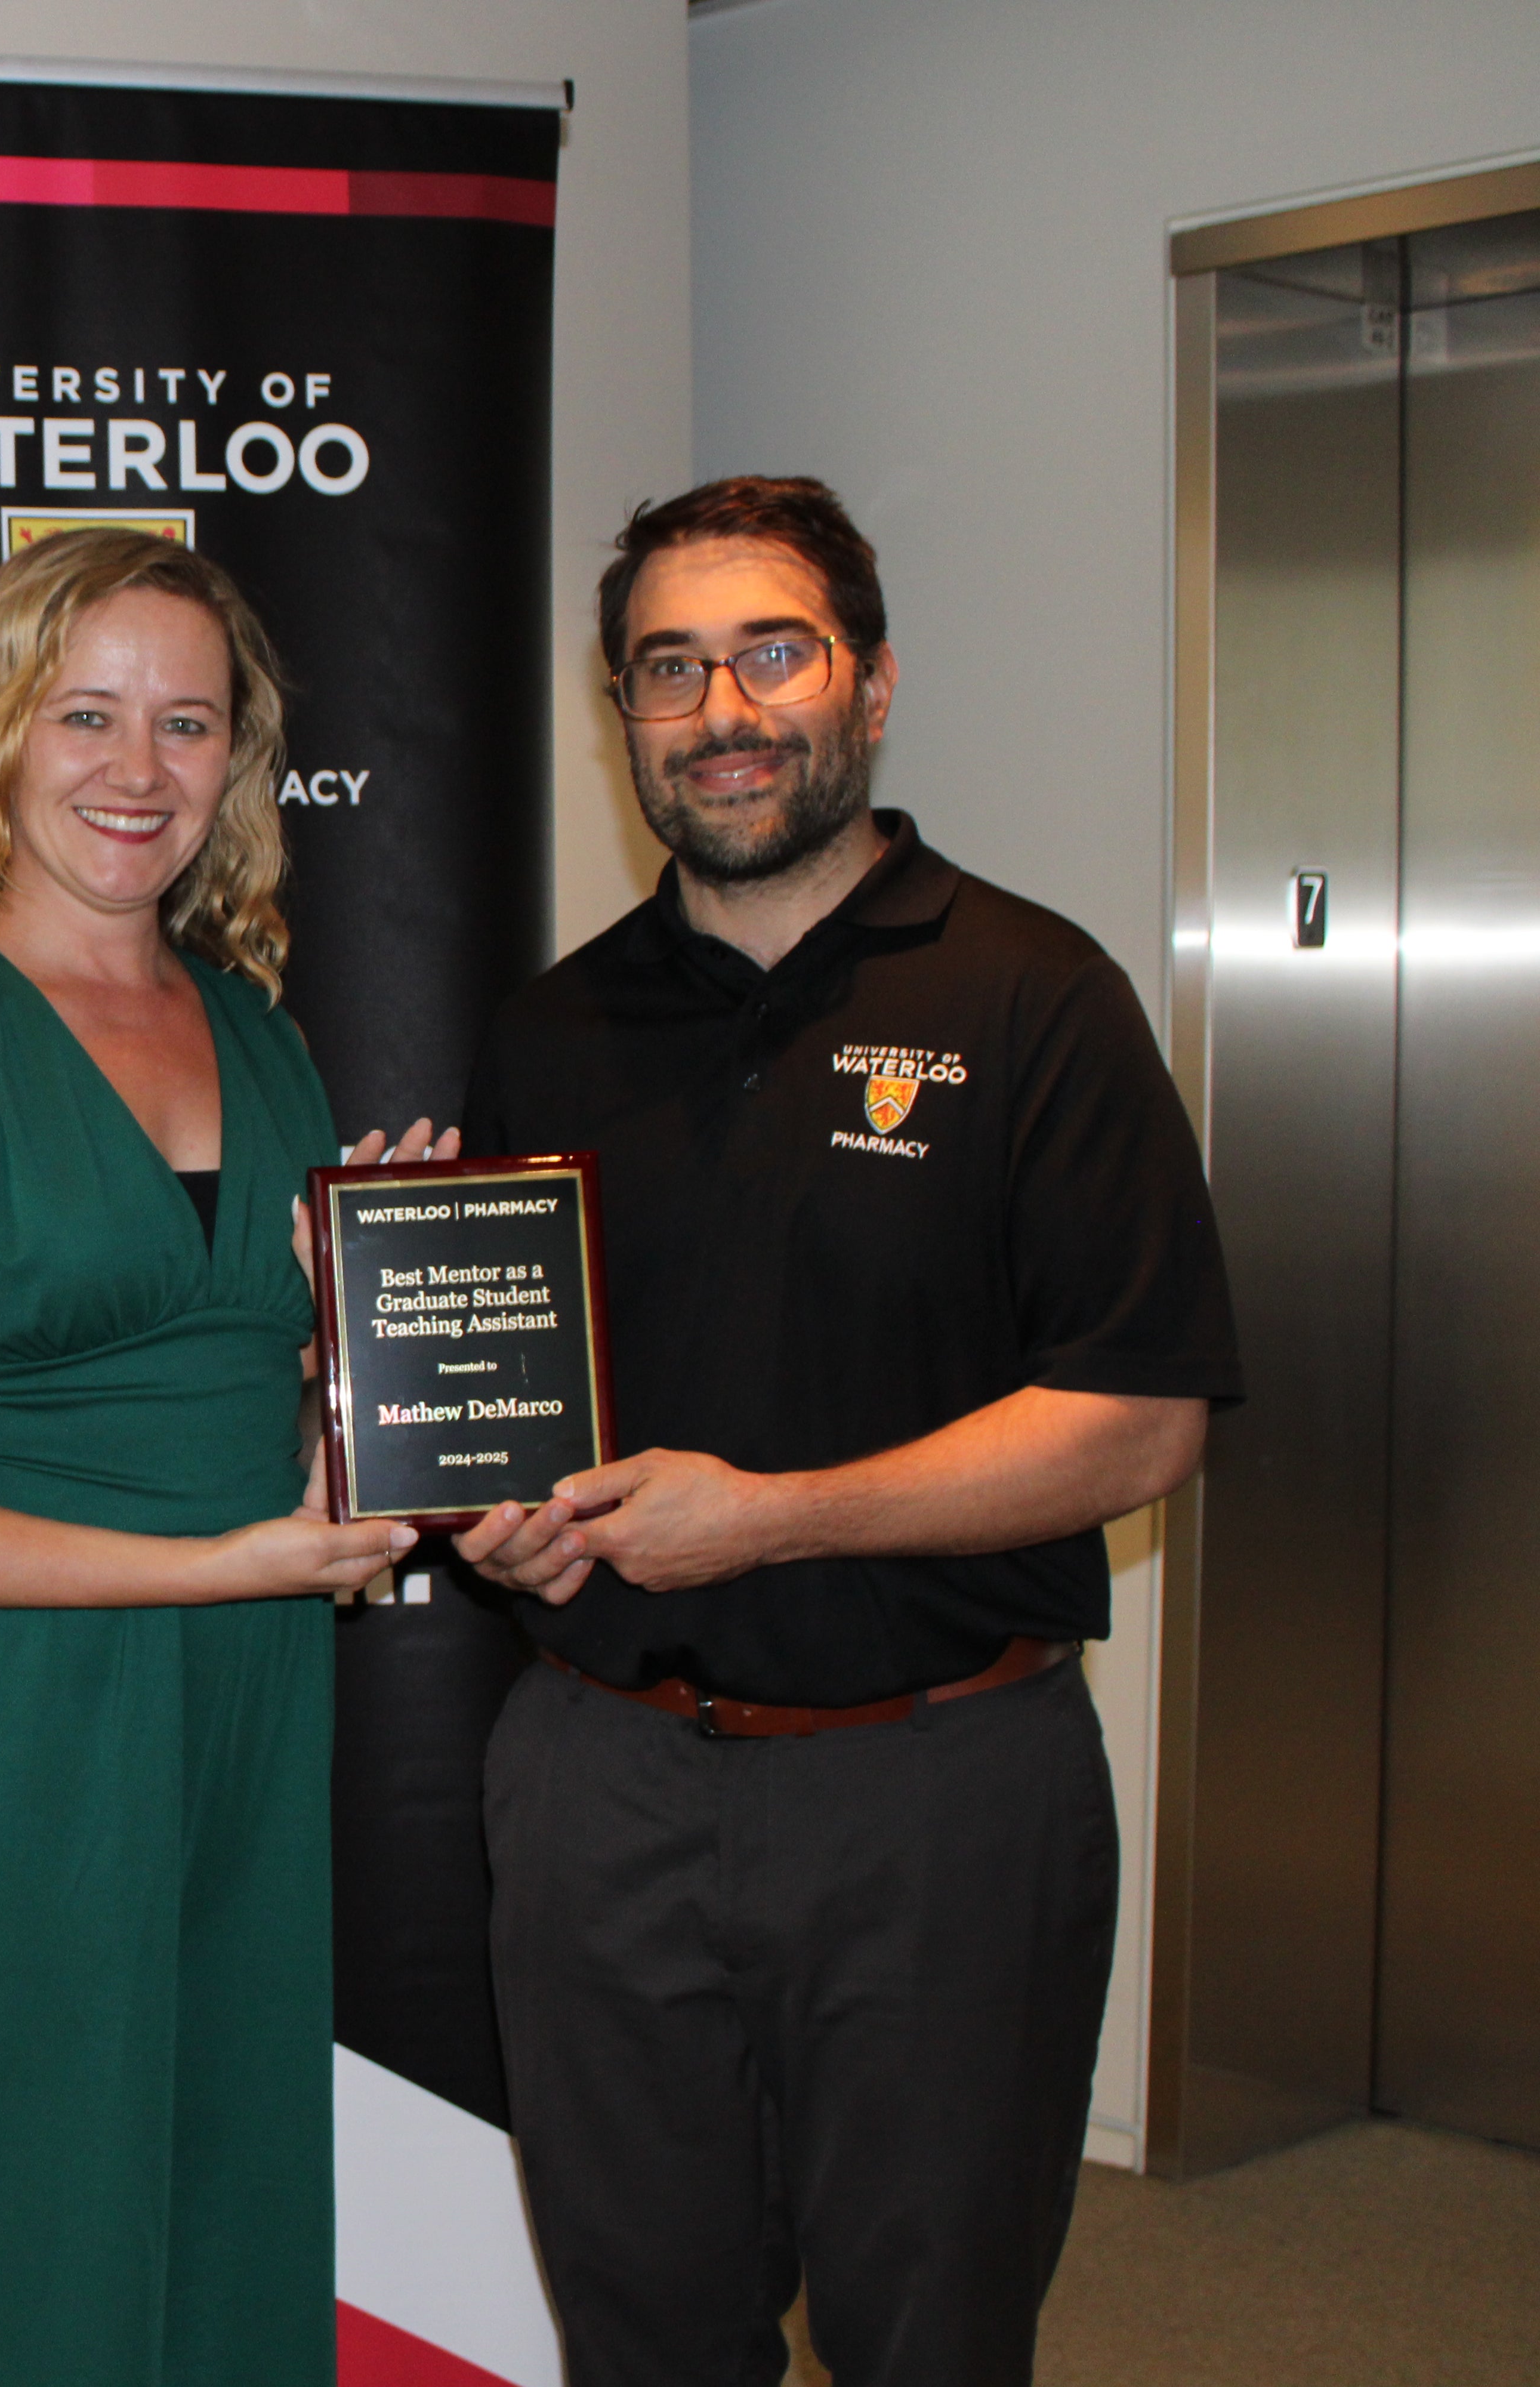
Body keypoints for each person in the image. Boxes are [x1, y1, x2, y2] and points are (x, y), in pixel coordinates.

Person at [452, 476, 1242, 2387]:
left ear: (870, 688)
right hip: (601, 1790)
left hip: (938, 1798)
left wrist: (776, 1521)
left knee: (930, 2336)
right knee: (645, 2332)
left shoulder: (1035, 999)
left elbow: (1140, 1422)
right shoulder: (550, 1033)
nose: (723, 710)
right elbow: (503, 1394)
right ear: (621, 714)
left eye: (773, 654)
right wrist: (488, 1510)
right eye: (670, 669)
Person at [0, 528, 438, 2386]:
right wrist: (202, 1568)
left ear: (240, 761)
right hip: (11, 1742)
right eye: (88, 715)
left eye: (187, 723)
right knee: (13, 2242)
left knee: (219, 2217)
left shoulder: (259, 1034)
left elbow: (272, 1403)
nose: (136, 771)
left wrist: (360, 1317)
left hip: (239, 1709)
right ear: (3, 734)